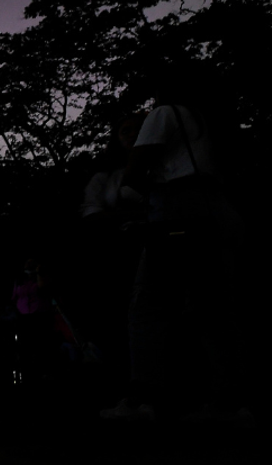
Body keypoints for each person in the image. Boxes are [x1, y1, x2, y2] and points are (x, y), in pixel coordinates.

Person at [101, 70, 247, 423]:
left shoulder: (166, 114)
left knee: (148, 305)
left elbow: (136, 171)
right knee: (213, 307)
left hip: (178, 208)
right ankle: (230, 402)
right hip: (218, 210)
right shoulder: (210, 123)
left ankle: (143, 400)